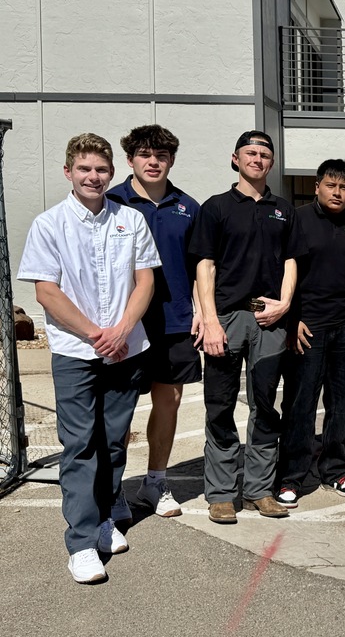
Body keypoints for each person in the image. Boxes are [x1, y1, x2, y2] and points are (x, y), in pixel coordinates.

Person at [19, 133, 160, 583]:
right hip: (76, 351)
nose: (93, 177)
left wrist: (119, 332)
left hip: (125, 348)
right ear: (68, 173)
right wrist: (96, 334)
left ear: (111, 173)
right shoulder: (49, 224)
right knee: (80, 444)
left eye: (100, 169)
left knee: (114, 440)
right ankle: (80, 542)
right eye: (84, 169)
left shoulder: (132, 220)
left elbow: (145, 283)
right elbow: (46, 291)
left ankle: (103, 518)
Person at [189, 131, 305, 524]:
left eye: (265, 154)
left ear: (271, 163)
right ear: (235, 159)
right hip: (226, 317)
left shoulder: (284, 210)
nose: (258, 159)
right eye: (250, 153)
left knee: (265, 407)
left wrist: (285, 304)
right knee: (220, 405)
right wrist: (209, 320)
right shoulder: (217, 207)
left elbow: (292, 261)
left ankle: (258, 489)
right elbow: (204, 265)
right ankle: (221, 493)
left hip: (268, 317)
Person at [106, 124, 201, 519]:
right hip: (124, 323)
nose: (153, 162)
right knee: (118, 410)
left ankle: (155, 481)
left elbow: (201, 268)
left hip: (176, 321)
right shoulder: (111, 202)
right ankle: (112, 491)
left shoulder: (188, 207)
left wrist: (202, 312)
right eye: (145, 155)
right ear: (130, 160)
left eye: (161, 156)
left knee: (170, 401)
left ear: (171, 160)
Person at [276, 159, 345, 508]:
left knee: (344, 400)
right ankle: (292, 474)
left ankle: (336, 468)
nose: (338, 192)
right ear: (317, 186)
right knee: (300, 401)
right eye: (331, 185)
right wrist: (292, 317)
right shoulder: (298, 220)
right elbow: (283, 271)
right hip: (308, 324)